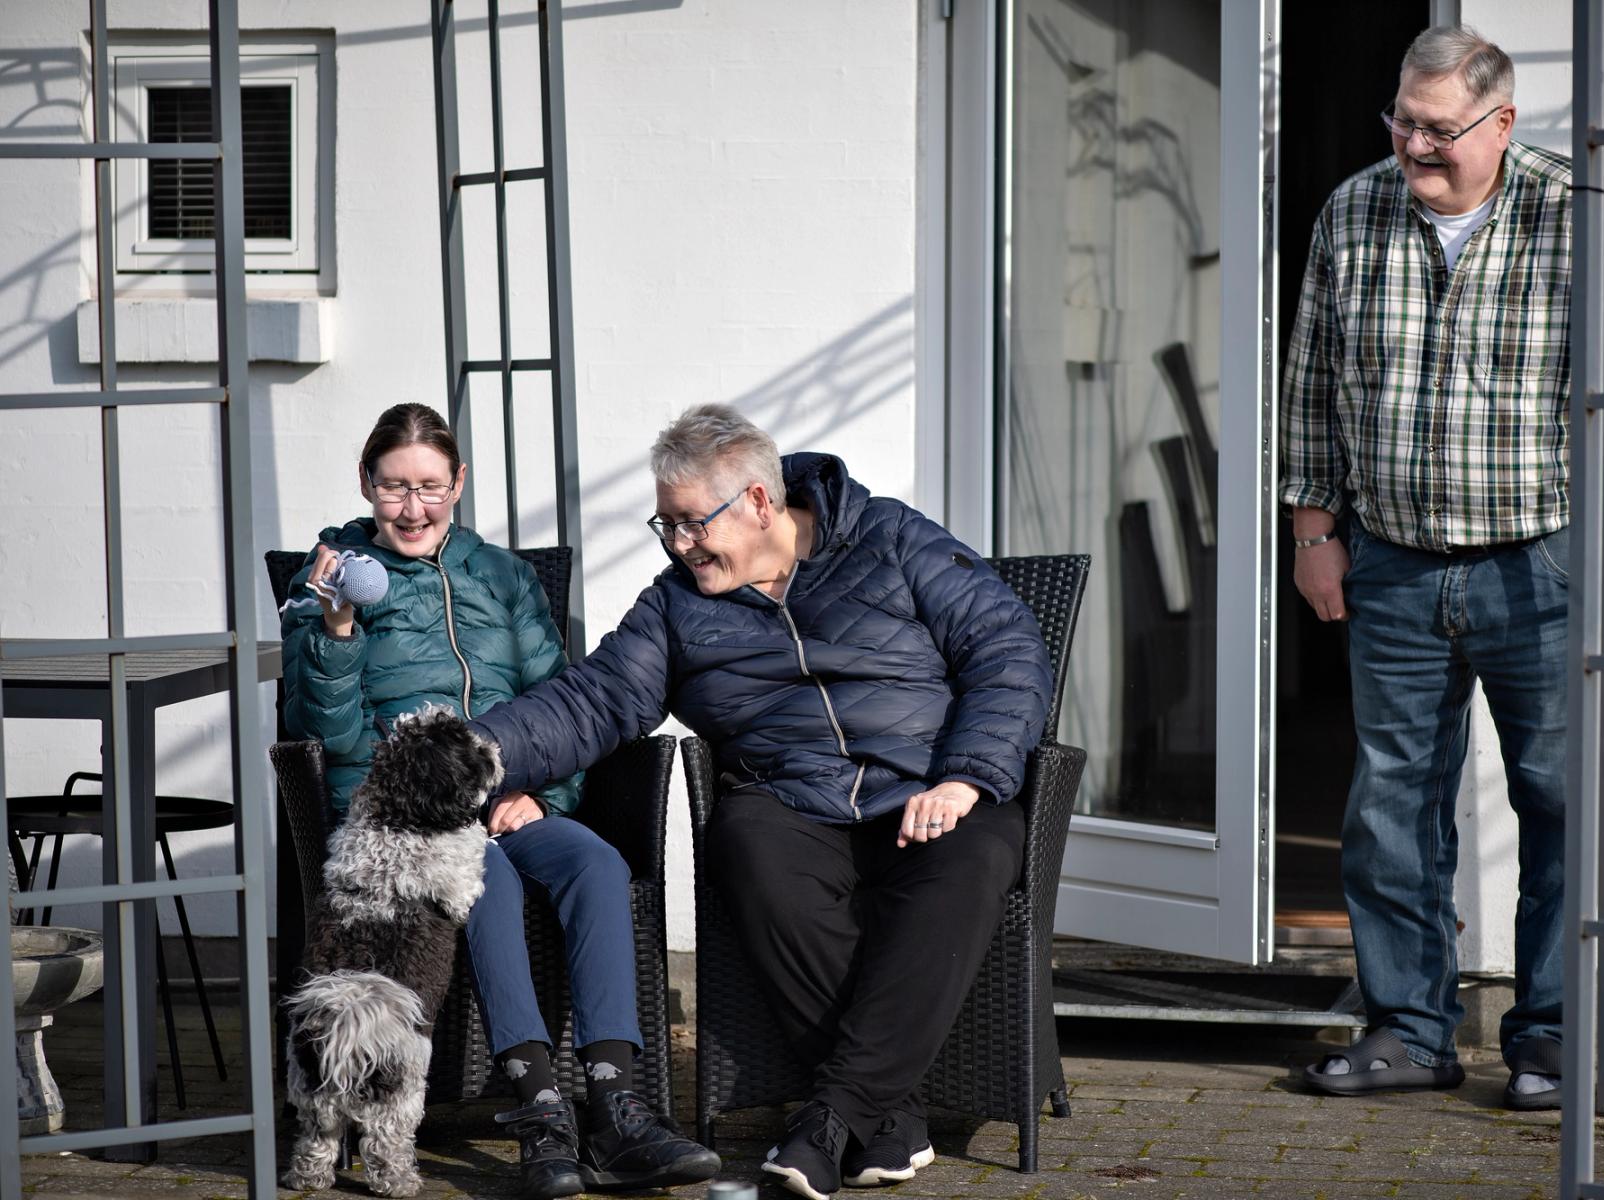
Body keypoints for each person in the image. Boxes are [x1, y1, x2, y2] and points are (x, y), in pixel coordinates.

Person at [469, 403, 1054, 1200]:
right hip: (793, 802)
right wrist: (469, 755)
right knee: (744, 844)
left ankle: (833, 1116)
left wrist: (965, 775)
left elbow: (1008, 647)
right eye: (664, 524)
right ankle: (883, 1118)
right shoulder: (678, 604)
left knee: (977, 856)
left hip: (930, 787)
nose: (679, 544)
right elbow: (594, 702)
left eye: (689, 523)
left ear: (756, 501)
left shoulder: (887, 537)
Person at [1281, 26, 1604, 1111]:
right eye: (1402, 122)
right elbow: (1312, 383)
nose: (1414, 144)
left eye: (1438, 128)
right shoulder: (1354, 213)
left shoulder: (1584, 219)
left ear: (1501, 123)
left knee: (1557, 802)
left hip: (1537, 561)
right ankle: (1410, 1031)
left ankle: (1549, 1039)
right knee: (1388, 807)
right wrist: (1317, 537)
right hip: (1393, 563)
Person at [280, 403, 720, 1199]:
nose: (413, 509)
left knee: (594, 860)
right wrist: (337, 631)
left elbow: (565, 702)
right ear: (366, 485)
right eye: (393, 488)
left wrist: (544, 795)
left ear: (458, 484)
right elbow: (322, 737)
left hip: (507, 792)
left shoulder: (505, 577)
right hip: (405, 821)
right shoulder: (329, 579)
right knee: (491, 879)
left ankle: (616, 1105)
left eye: (430, 488)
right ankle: (540, 1113)